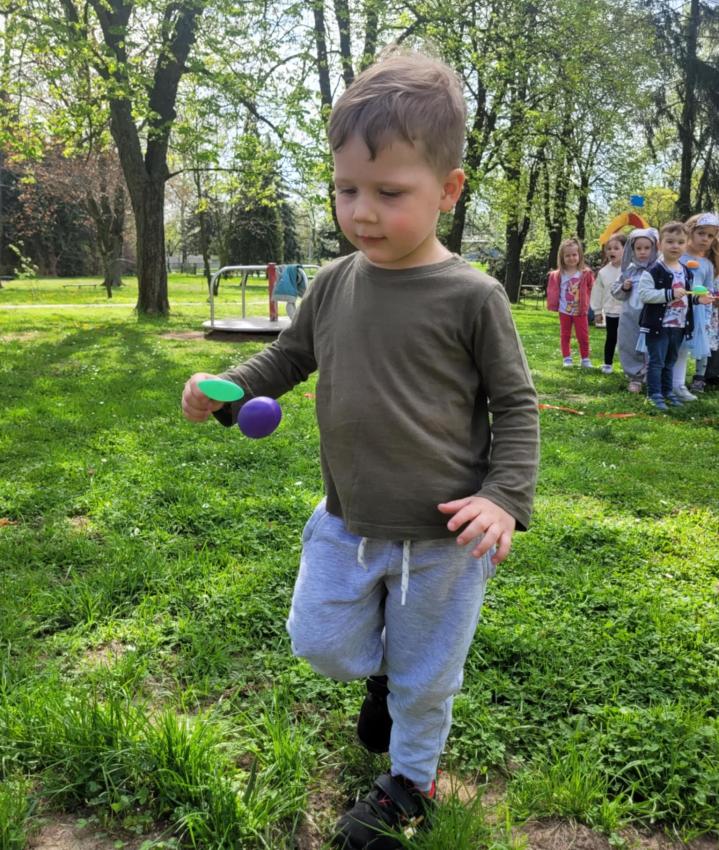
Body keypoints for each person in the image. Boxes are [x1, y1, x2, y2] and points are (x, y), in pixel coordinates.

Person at [181, 51, 540, 850]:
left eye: (389, 192)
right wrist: (225, 387)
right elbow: (287, 358)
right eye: (346, 190)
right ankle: (380, 673)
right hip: (346, 519)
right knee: (319, 642)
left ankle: (408, 784)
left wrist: (503, 497)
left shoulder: (472, 296)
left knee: (428, 677)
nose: (362, 212)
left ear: (447, 190)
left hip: (444, 537)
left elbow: (514, 404)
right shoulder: (334, 283)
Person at [637, 221, 712, 410]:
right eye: (670, 242)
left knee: (670, 362)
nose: (675, 246)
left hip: (678, 326)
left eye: (680, 242)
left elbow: (686, 296)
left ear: (686, 245)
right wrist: (669, 294)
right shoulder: (654, 270)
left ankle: (668, 392)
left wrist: (698, 300)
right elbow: (644, 294)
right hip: (658, 326)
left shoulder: (685, 271)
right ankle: (654, 394)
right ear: (660, 244)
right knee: (657, 362)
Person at [671, 213, 719, 399]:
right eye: (701, 233)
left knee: (687, 348)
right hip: (674, 309)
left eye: (710, 236)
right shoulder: (677, 256)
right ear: (690, 232)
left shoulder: (707, 264)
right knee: (671, 346)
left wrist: (706, 311)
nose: (705, 239)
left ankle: (682, 383)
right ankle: (664, 379)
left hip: (696, 313)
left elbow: (708, 290)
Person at [610, 228, 658, 393]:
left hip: (653, 317)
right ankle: (635, 377)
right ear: (632, 250)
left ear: (654, 249)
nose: (643, 252)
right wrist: (624, 287)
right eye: (638, 248)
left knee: (653, 346)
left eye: (647, 248)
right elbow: (615, 290)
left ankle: (653, 377)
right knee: (630, 344)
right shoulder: (629, 270)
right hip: (630, 316)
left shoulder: (659, 269)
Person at [546, 237, 595, 368]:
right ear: (562, 257)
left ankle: (585, 359)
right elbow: (552, 290)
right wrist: (553, 304)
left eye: (574, 254)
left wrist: (590, 303)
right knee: (565, 335)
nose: (571, 258)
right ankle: (567, 358)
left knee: (583, 335)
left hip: (580, 311)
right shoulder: (558, 275)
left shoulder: (585, 273)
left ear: (579, 255)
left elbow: (593, 288)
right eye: (567, 255)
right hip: (564, 310)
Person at [590, 233, 626, 373]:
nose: (612, 251)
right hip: (611, 311)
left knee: (627, 340)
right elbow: (597, 292)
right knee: (611, 337)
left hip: (627, 311)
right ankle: (607, 364)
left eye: (616, 248)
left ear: (625, 250)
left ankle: (629, 366)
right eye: (609, 248)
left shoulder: (630, 269)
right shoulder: (603, 272)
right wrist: (597, 311)